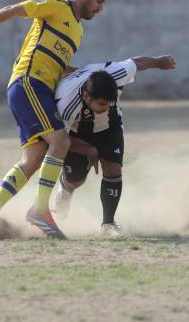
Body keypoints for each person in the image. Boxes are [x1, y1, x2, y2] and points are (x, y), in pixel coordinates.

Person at [0, 0, 110, 239]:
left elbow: (60, 68)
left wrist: (91, 74)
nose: (101, 8)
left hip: (41, 90)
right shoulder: (54, 5)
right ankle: (40, 210)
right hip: (29, 83)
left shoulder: (78, 30)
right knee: (60, 143)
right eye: (99, 1)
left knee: (33, 159)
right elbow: (13, 10)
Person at [52, 55, 177, 236]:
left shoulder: (116, 73)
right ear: (86, 96)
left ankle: (108, 224)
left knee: (113, 168)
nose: (106, 107)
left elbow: (136, 62)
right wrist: (89, 150)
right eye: (102, 104)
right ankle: (66, 186)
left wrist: (159, 62)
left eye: (109, 103)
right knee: (76, 179)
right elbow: (57, 138)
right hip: (75, 134)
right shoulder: (65, 103)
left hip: (109, 128)